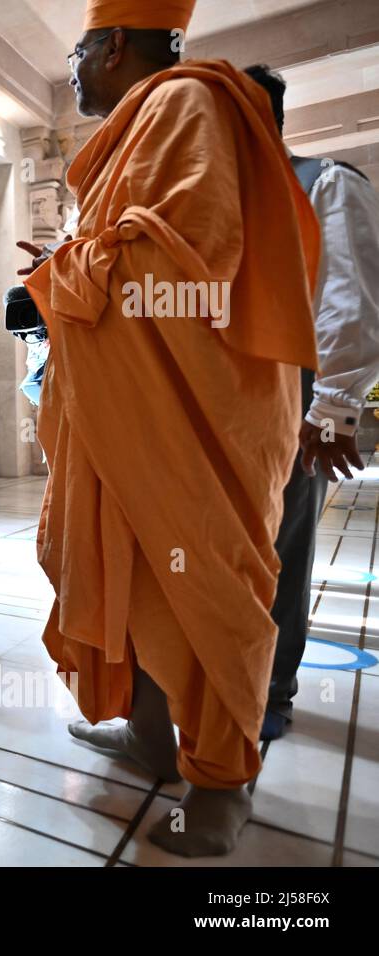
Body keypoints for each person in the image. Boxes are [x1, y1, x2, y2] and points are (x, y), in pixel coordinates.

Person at [22, 0, 320, 856]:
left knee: (206, 591)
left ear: (115, 44)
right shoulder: (147, 120)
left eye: (79, 53)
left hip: (200, 418)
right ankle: (155, 736)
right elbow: (138, 254)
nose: (73, 72)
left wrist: (68, 271)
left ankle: (224, 781)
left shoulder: (186, 104)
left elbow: (186, 262)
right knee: (142, 576)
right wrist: (73, 270)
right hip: (141, 412)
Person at [244, 64, 379, 740]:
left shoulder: (325, 183)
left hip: (292, 401)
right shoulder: (218, 200)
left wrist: (330, 410)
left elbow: (349, 302)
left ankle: (272, 690)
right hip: (224, 405)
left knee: (282, 546)